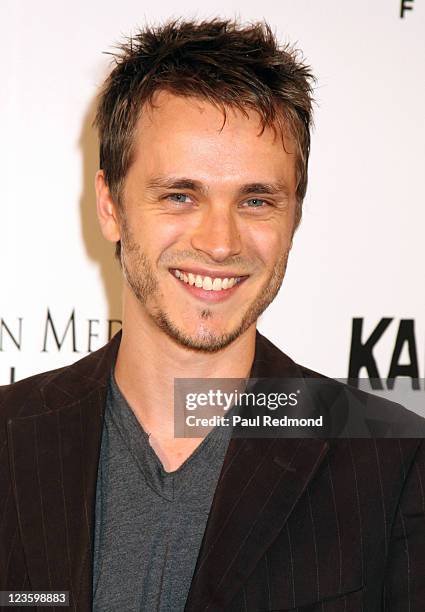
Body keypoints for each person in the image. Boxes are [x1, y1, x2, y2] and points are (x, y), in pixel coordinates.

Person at [1, 18, 424, 612]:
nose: (221, 242)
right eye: (180, 195)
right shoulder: (10, 437)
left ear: (294, 217)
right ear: (110, 207)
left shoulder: (391, 461)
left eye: (256, 200)